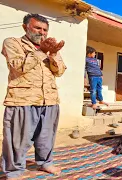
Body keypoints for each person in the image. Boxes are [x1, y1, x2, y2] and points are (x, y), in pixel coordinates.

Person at [1, 14, 66, 179]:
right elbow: (18, 67)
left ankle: (45, 162)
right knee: (17, 139)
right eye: (38, 28)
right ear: (25, 27)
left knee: (46, 136)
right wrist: (41, 51)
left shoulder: (48, 48)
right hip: (22, 99)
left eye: (45, 29)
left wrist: (52, 54)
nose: (42, 32)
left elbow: (60, 71)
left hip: (50, 99)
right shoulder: (12, 42)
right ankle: (14, 171)